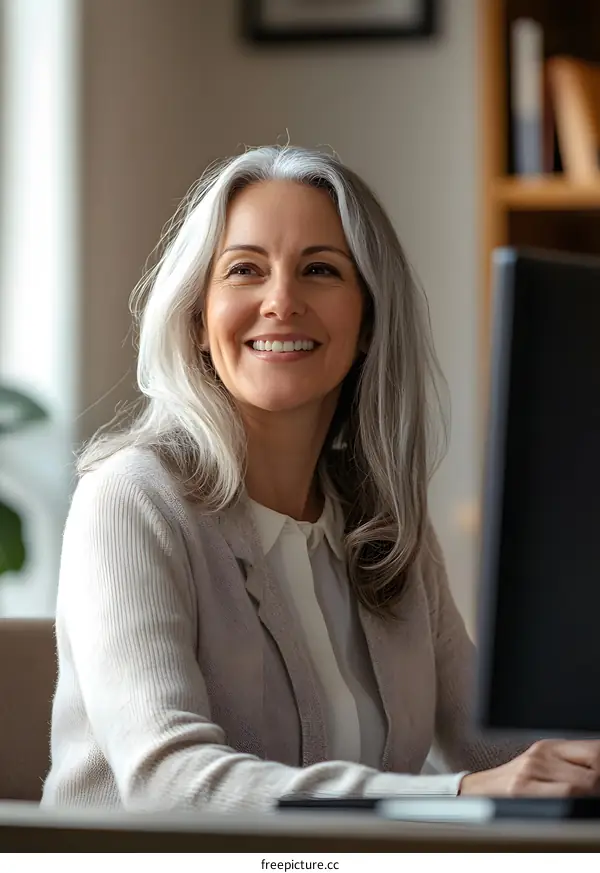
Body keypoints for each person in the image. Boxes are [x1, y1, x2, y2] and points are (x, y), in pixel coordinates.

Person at [42, 145, 600, 812]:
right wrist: (451, 794)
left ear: (366, 321)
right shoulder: (131, 499)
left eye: (320, 270)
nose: (281, 301)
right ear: (197, 317)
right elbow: (170, 782)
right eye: (244, 270)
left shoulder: (384, 523)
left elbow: (500, 754)